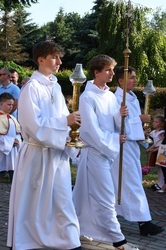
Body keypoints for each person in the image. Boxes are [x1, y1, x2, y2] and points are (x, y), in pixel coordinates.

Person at [7, 41, 82, 250]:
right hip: (37, 156)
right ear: (41, 60)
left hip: (56, 154)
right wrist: (65, 122)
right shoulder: (31, 88)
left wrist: (71, 133)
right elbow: (33, 124)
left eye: (59, 57)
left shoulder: (55, 86)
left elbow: (60, 117)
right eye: (54, 58)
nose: (59, 62)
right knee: (34, 205)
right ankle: (30, 242)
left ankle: (69, 241)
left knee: (62, 201)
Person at [72, 55, 138, 250]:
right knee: (106, 196)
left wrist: (120, 115)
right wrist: (113, 140)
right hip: (94, 152)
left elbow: (112, 123)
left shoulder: (110, 95)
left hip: (106, 153)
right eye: (108, 70)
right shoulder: (87, 97)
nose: (111, 73)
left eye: (112, 70)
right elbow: (90, 130)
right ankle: (119, 241)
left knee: (82, 195)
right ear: (97, 72)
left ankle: (74, 228)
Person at [111, 66, 164, 235]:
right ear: (121, 80)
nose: (135, 80)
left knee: (124, 184)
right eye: (131, 77)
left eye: (135, 77)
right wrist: (138, 120)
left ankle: (113, 216)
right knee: (132, 183)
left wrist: (142, 129)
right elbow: (118, 124)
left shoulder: (132, 97)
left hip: (131, 146)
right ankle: (144, 222)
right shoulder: (116, 99)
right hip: (123, 146)